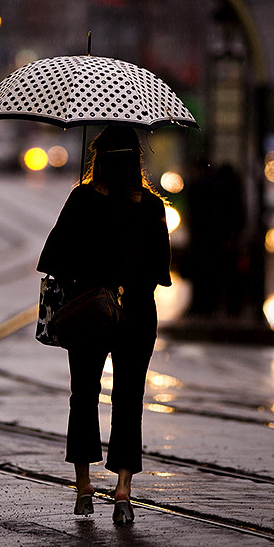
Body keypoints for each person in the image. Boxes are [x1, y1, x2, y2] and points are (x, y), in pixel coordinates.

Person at [37, 125, 172, 523]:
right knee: (129, 401)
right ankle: (124, 491)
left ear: (97, 159)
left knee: (83, 396)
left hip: (88, 312)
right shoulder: (151, 207)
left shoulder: (81, 200)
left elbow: (53, 260)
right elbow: (161, 270)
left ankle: (83, 488)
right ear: (136, 161)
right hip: (137, 314)